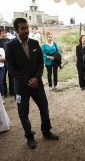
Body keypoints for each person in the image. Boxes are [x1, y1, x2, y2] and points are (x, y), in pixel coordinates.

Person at [5, 18, 59, 149]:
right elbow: (11, 69)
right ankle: (29, 136)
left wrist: (36, 78)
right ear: (16, 30)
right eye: (22, 28)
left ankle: (46, 131)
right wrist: (27, 80)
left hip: (37, 84)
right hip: (21, 87)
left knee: (44, 108)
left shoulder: (35, 43)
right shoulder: (10, 46)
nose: (26, 30)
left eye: (27, 27)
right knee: (23, 112)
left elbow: (41, 63)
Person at [0, 28, 14, 97]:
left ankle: (12, 92)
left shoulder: (9, 40)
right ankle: (4, 93)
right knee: (3, 78)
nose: (4, 34)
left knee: (11, 76)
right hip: (2, 62)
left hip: (9, 61)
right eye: (2, 33)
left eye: (4, 33)